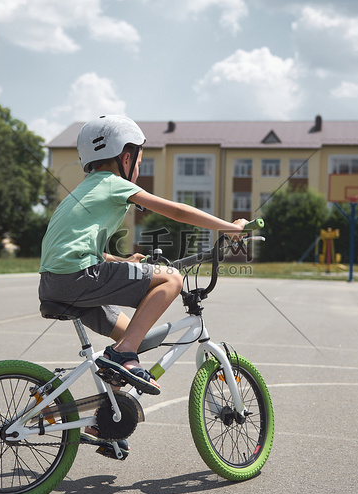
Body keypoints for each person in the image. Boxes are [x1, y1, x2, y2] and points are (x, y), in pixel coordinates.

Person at [39, 115, 247, 457]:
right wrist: (229, 227)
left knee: (132, 334)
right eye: (138, 158)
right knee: (170, 279)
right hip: (77, 277)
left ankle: (104, 423)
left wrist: (123, 263)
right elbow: (177, 211)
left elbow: (81, 247)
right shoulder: (111, 182)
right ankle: (123, 356)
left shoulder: (85, 190)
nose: (137, 166)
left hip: (57, 282)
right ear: (125, 157)